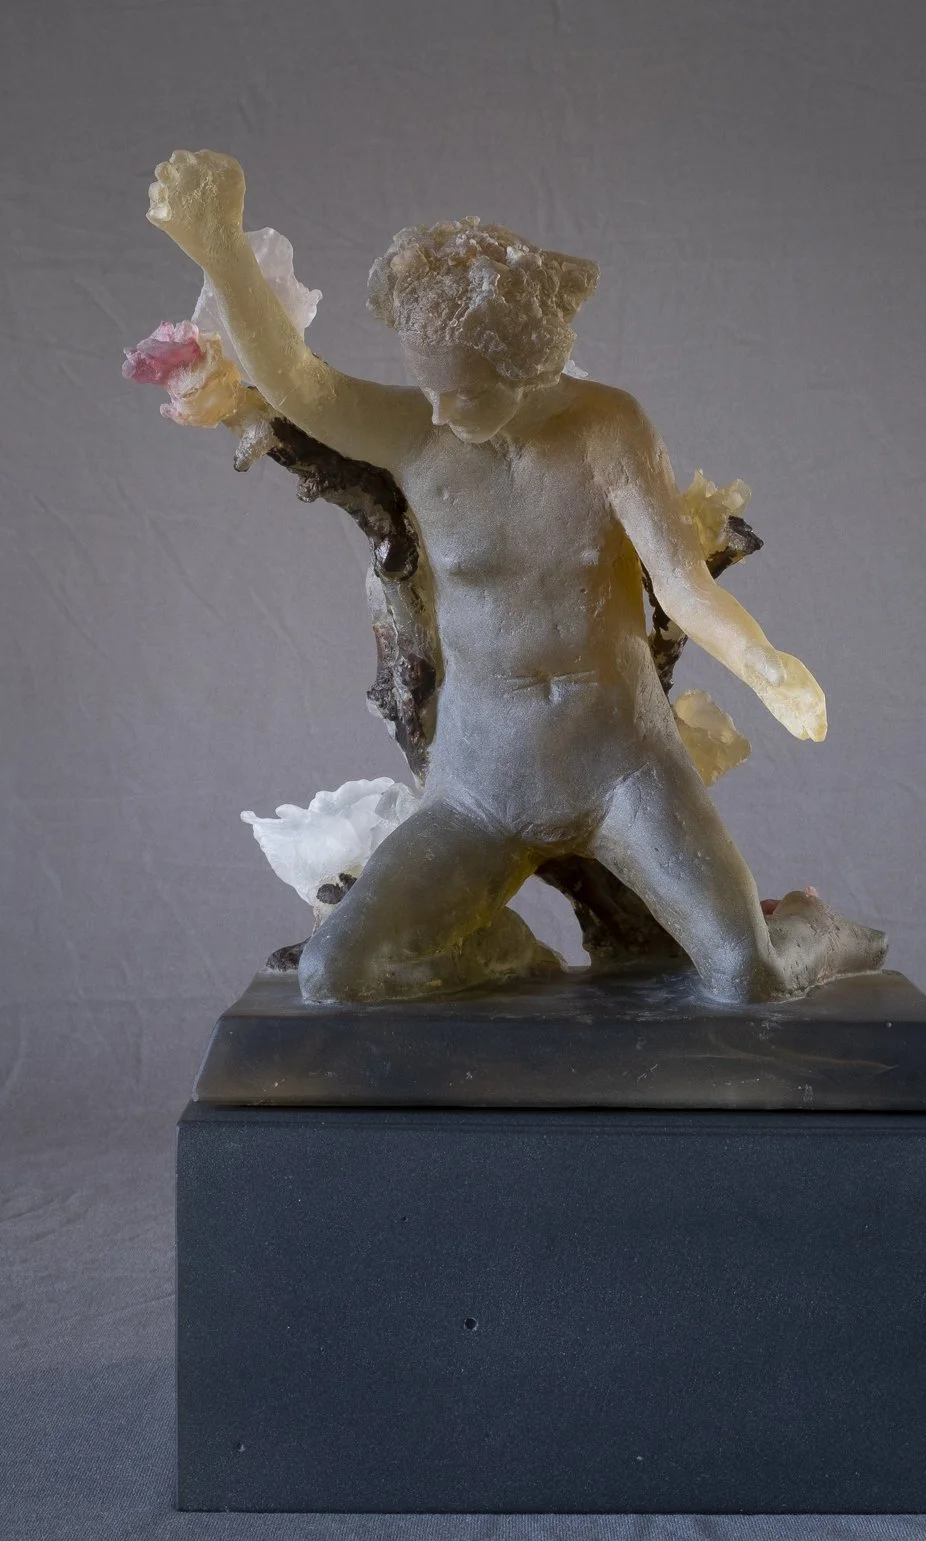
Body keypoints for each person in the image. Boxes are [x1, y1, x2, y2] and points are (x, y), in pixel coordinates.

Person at [147, 150, 885, 1003]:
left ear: (527, 365)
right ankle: (493, 949)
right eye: (426, 385)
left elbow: (681, 584)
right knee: (333, 973)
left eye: (463, 392)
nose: (437, 409)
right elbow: (298, 382)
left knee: (746, 975)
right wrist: (222, 248)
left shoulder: (608, 429)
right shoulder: (418, 436)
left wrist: (763, 664)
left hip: (623, 768)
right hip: (480, 786)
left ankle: (812, 929)